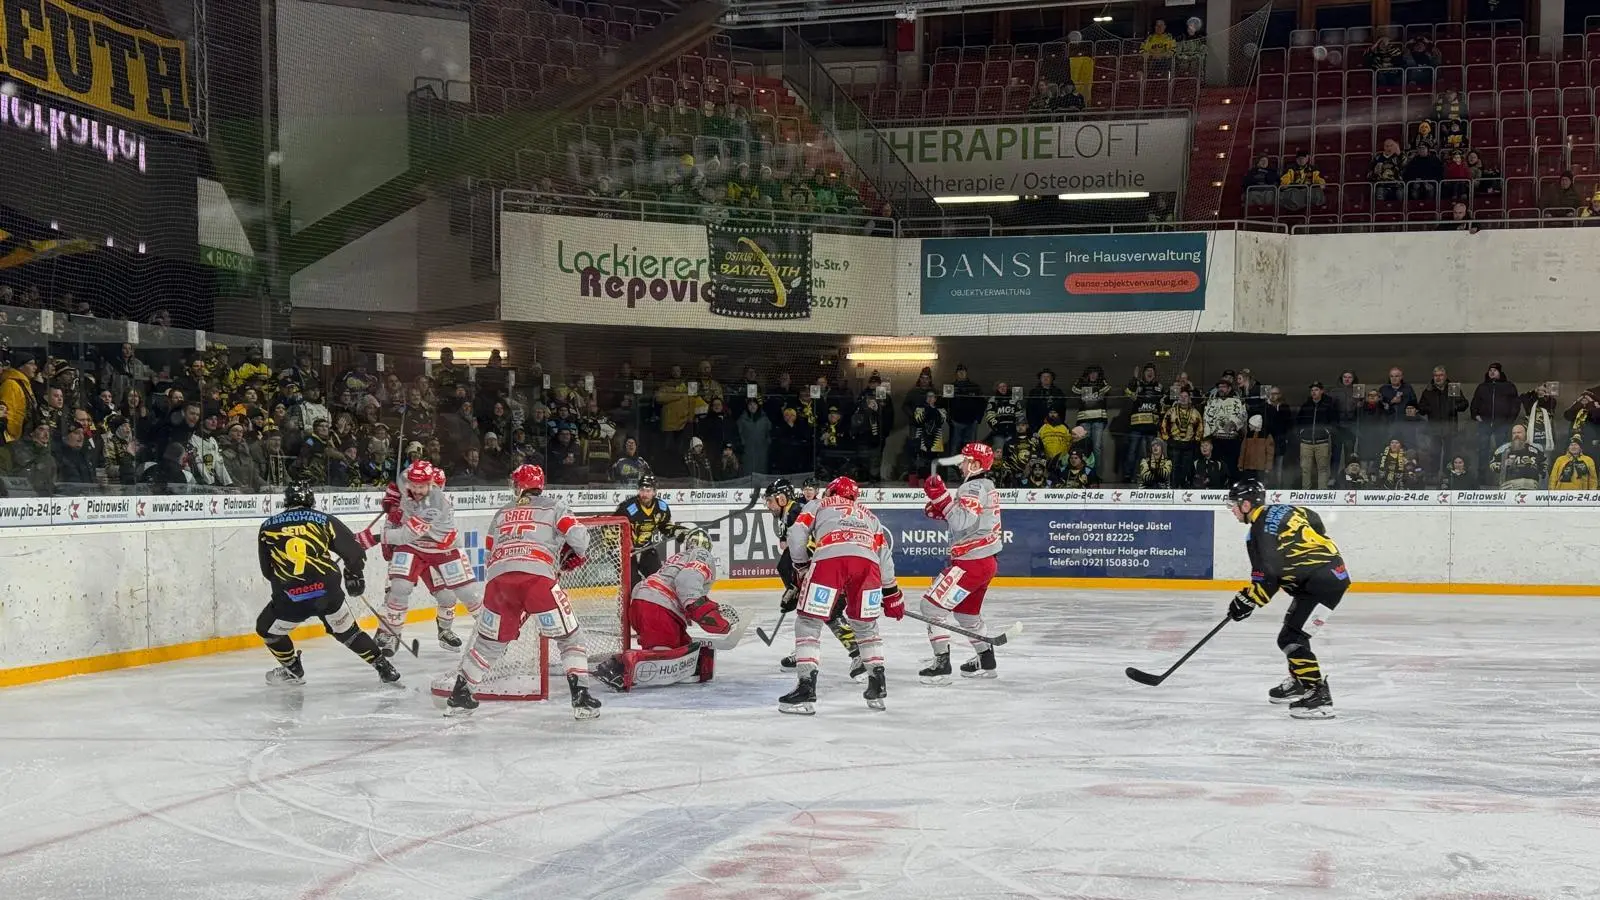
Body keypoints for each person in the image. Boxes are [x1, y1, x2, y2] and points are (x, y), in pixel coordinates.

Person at [439, 465, 602, 719]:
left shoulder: (502, 512)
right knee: (570, 638)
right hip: (537, 580)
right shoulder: (554, 506)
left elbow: (490, 553)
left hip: (499, 583)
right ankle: (581, 698)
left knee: (489, 643)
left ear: (518, 486)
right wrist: (574, 554)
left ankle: (460, 695)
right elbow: (579, 538)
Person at [1222, 478, 1348, 719]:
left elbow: (1267, 579)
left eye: (1234, 505)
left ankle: (1318, 695)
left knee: (1292, 637)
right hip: (1329, 576)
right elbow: (1315, 521)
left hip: (1320, 584)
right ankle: (1300, 682)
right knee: (1294, 631)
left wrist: (1246, 601)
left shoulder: (1258, 533)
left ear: (1246, 505)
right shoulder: (1286, 509)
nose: (1232, 510)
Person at [255, 483, 400, 686]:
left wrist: (288, 587)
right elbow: (354, 552)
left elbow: (267, 571)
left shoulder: (267, 527)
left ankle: (292, 668)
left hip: (291, 595)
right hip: (326, 592)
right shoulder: (323, 520)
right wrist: (354, 575)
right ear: (311, 501)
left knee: (266, 629)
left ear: (286, 501)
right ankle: (384, 667)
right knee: (349, 633)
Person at [781, 476, 901, 714]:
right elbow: (884, 557)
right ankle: (877, 685)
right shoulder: (869, 516)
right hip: (868, 566)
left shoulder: (817, 504)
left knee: (808, 621)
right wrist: (891, 593)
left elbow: (796, 534)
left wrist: (801, 566)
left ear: (830, 492)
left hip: (830, 560)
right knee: (866, 627)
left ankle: (806, 687)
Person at [360, 460, 484, 655]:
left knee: (459, 595)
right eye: (414, 486)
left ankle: (483, 632)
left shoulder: (436, 503)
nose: (417, 491)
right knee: (398, 588)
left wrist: (374, 538)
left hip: (439, 548)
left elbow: (406, 534)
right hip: (412, 547)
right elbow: (401, 485)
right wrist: (392, 495)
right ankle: (390, 632)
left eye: (423, 486)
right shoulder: (408, 482)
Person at [593, 529, 742, 692]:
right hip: (659, 608)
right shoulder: (703, 554)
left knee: (685, 652)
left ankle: (629, 663)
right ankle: (619, 667)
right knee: (664, 657)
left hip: (645, 603)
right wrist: (711, 616)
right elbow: (687, 583)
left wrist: (706, 609)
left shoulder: (679, 557)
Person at [915, 443, 1003, 684]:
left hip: (971, 563)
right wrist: (944, 508)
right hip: (985, 562)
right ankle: (986, 661)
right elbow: (970, 520)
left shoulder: (972, 486)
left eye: (965, 460)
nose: (961, 464)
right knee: (967, 615)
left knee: (931, 609)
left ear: (975, 464)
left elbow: (962, 521)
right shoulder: (986, 485)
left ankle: (942, 666)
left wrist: (942, 499)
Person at [767, 479, 862, 678]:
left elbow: (806, 546)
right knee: (820, 613)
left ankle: (857, 653)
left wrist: (796, 584)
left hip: (827, 570)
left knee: (822, 614)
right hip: (828, 568)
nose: (768, 505)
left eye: (770, 500)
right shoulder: (791, 513)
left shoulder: (796, 512)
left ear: (782, 498)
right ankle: (810, 652)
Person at [614, 473, 685, 588]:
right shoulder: (626, 507)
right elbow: (612, 527)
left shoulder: (661, 507)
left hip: (646, 548)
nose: (644, 494)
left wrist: (677, 531)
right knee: (632, 585)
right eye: (642, 490)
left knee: (658, 581)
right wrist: (620, 546)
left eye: (648, 491)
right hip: (626, 552)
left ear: (654, 492)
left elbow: (664, 525)